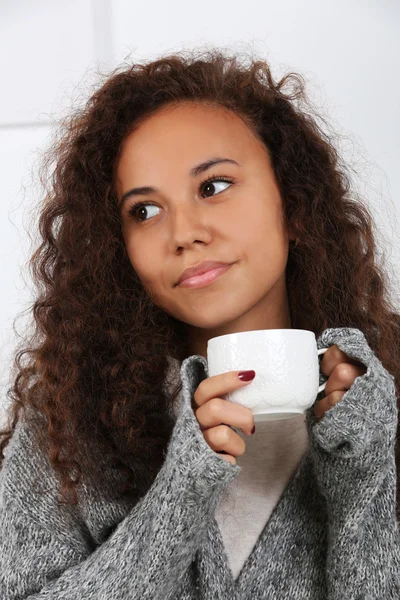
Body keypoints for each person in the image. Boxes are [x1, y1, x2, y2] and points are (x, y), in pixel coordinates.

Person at [0, 48, 399, 598]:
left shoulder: (382, 398)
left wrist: (362, 474)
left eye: (213, 186)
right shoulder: (68, 419)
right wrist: (181, 491)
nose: (183, 233)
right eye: (144, 210)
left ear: (296, 206)